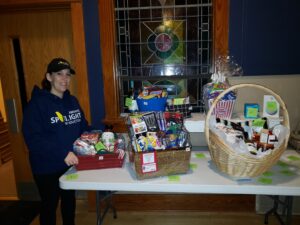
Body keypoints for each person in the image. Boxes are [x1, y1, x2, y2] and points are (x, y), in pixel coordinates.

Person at [22, 58, 90, 225]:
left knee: (69, 201)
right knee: (49, 206)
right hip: (46, 167)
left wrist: (97, 136)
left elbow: (83, 127)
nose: (64, 79)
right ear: (49, 77)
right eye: (59, 74)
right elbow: (33, 138)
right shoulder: (36, 104)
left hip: (70, 163)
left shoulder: (72, 101)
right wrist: (62, 153)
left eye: (67, 75)